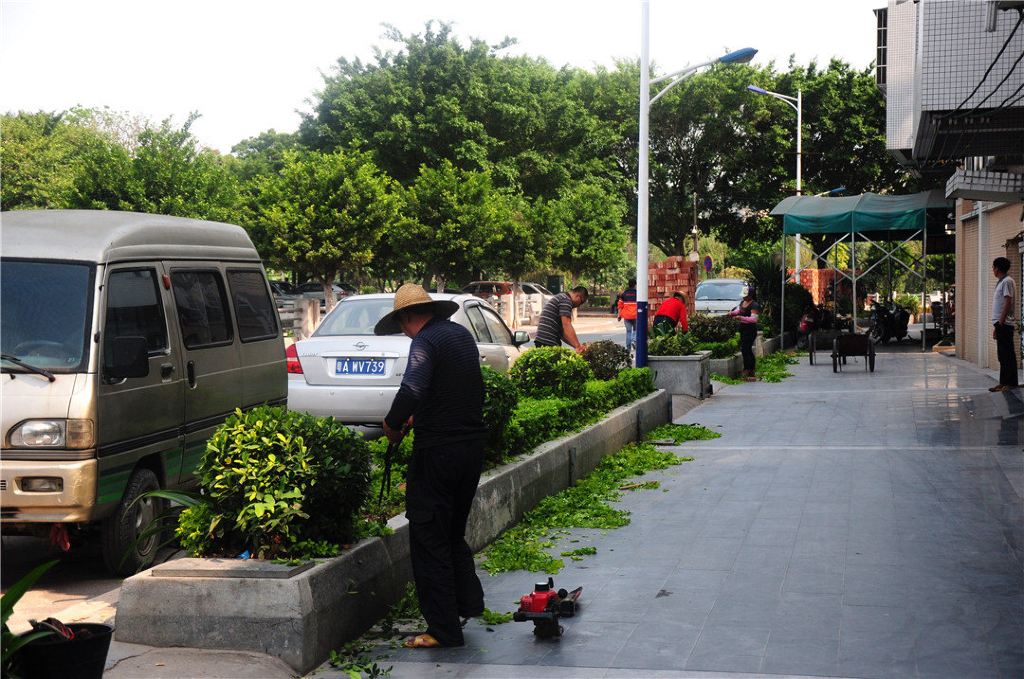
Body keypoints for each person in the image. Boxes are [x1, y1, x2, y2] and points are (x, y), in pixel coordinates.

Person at [376, 284, 486, 648]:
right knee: (452, 531)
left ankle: (442, 629)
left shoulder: (424, 342)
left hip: (438, 455)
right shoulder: (459, 336)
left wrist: (393, 425)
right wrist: (419, 417)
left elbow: (412, 389)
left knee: (429, 540)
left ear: (408, 317)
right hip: (470, 450)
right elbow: (454, 391)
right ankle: (468, 602)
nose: (404, 332)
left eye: (402, 324)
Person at [990, 257, 1018, 392]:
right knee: (1002, 354)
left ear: (997, 268)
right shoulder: (1001, 282)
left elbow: (1008, 303)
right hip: (1000, 324)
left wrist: (1000, 323)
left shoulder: (1007, 282)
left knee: (1007, 354)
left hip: (1005, 324)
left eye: (993, 267)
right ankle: (1003, 382)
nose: (992, 270)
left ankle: (1011, 383)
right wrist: (996, 326)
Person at [534, 285, 589, 353]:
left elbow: (563, 333)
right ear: (578, 296)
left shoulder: (562, 297)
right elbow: (566, 325)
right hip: (548, 341)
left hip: (541, 339)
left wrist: (576, 346)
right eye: (581, 302)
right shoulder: (566, 301)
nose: (579, 305)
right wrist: (578, 346)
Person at [729, 284, 760, 380]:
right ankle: (750, 369)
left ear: (750, 295)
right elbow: (738, 311)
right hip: (743, 329)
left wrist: (741, 318)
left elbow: (754, 319)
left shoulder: (754, 305)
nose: (743, 296)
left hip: (750, 330)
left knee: (746, 349)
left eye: (745, 295)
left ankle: (748, 369)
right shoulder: (743, 302)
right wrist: (731, 313)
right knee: (745, 349)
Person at [616, 279, 638, 351]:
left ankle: (628, 348)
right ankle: (634, 341)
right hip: (635, 316)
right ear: (635, 285)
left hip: (627, 316)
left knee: (628, 332)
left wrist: (619, 315)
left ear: (628, 284)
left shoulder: (624, 294)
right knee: (636, 330)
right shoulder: (638, 293)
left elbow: (620, 306)